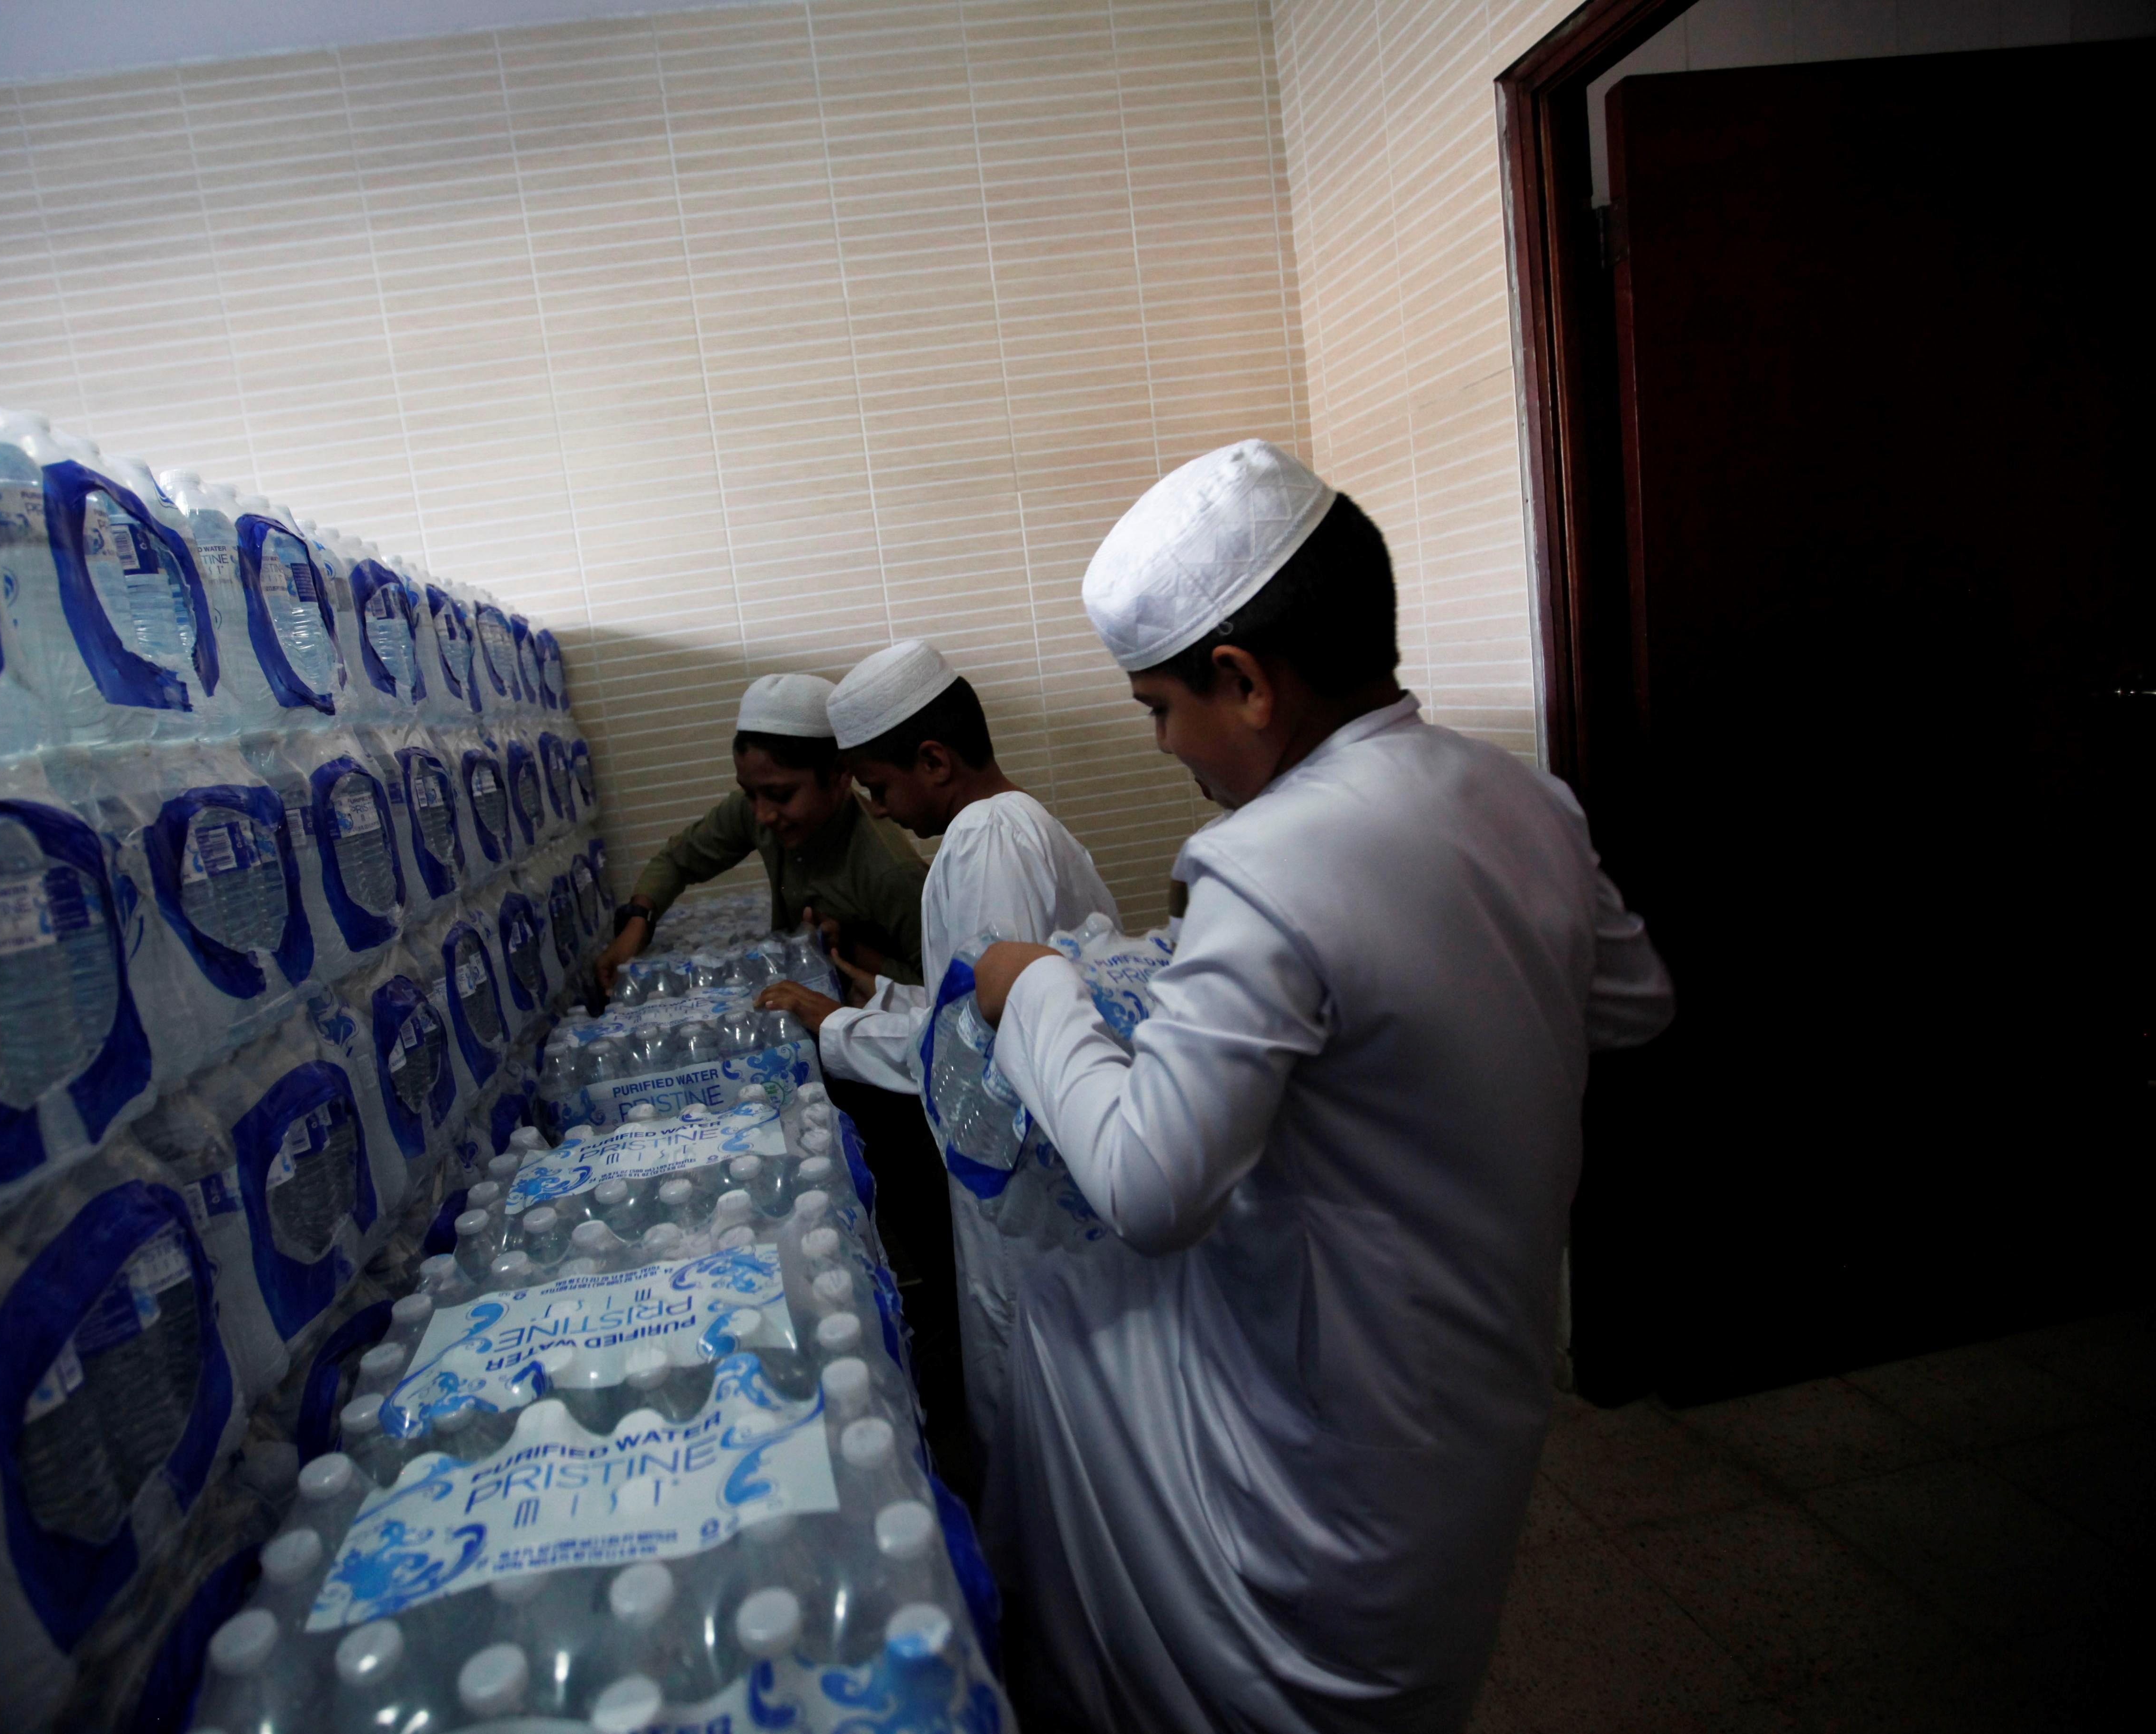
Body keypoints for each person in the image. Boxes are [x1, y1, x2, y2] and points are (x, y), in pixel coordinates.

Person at [967, 439, 1674, 1734]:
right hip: (1478, 1392)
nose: (1167, 748)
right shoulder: (1526, 799)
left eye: (1156, 711)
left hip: (1329, 1434)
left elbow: (1145, 1184)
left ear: (1240, 683)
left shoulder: (1263, 861)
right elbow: (1632, 1001)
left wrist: (1041, 996)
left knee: (1066, 1328)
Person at [755, 639, 1119, 1464]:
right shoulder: (1003, 828)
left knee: (1045, 1411)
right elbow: (971, 996)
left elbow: (990, 1040)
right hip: (1018, 1180)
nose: (877, 810)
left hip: (1029, 1193)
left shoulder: (989, 837)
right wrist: (871, 992)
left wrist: (836, 1027)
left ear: (934, 759)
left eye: (880, 787)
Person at [595, 672, 927, 996]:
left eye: (781, 796)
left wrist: (853, 950)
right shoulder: (755, 809)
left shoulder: (890, 871)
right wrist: (638, 925)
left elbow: (937, 988)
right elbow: (678, 861)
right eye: (750, 794)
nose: (763, 815)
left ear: (840, 774)